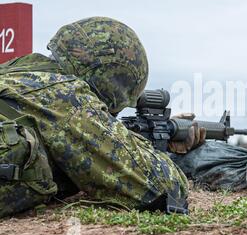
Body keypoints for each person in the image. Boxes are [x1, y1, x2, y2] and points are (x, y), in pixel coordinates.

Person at [0, 17, 204, 218]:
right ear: (110, 80)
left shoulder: (14, 71)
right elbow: (162, 187)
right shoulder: (68, 98)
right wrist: (151, 149)